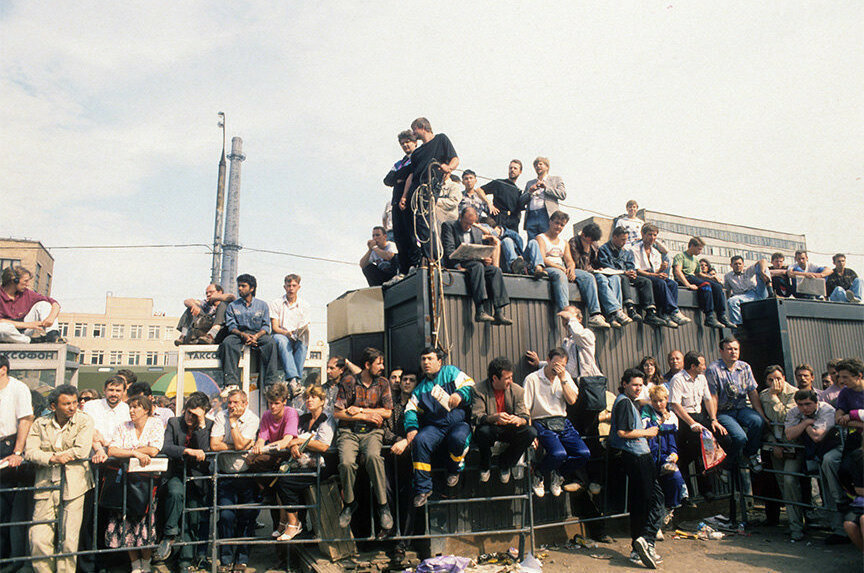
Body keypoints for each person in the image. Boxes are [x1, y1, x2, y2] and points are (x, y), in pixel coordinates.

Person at [25, 385, 93, 573]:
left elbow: (81, 450)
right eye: (66, 404)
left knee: (69, 540)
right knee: (39, 537)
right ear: (54, 406)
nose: (72, 407)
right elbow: (30, 451)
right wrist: (52, 458)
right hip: (45, 485)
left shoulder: (84, 421)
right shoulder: (40, 423)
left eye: (74, 403)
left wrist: (53, 455)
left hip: (74, 486)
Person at [395, 347, 474, 507]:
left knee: (459, 439)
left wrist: (459, 395)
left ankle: (454, 469)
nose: (426, 362)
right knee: (420, 441)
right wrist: (411, 429)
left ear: (439, 361)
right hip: (435, 427)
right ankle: (423, 489)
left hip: (457, 423)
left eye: (430, 359)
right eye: (423, 359)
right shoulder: (420, 389)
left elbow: (469, 385)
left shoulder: (451, 372)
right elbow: (410, 409)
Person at [609, 368, 664, 569]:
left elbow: (641, 402)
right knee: (648, 501)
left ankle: (642, 543)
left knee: (649, 500)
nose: (638, 388)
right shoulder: (624, 402)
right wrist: (647, 432)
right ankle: (643, 542)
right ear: (624, 384)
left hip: (640, 456)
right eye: (634, 384)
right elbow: (622, 432)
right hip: (636, 456)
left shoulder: (629, 401)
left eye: (641, 385)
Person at [333, 347, 394, 531]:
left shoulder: (383, 383)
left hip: (372, 433)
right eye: (379, 363)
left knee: (374, 458)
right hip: (349, 432)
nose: (382, 367)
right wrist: (361, 417)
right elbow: (338, 413)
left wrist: (361, 411)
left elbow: (387, 411)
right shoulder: (349, 382)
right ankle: (349, 503)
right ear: (367, 365)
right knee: (346, 463)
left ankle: (383, 506)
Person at [105, 394, 165, 573]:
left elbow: (154, 449)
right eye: (130, 407)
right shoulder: (123, 426)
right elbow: (112, 450)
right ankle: (134, 564)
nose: (131, 411)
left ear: (146, 410)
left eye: (136, 407)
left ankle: (146, 563)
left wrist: (128, 451)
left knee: (145, 522)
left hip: (147, 482)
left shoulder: (155, 424)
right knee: (126, 523)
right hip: (125, 481)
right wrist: (136, 454)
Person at [154, 392, 214, 569]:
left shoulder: (209, 425)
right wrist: (186, 451)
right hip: (176, 474)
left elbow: (205, 451)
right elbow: (166, 446)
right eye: (188, 412)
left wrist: (202, 425)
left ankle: (185, 562)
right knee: (175, 492)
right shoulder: (174, 422)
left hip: (197, 478)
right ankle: (170, 535)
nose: (190, 417)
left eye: (195, 414)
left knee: (193, 519)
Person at [523, 347, 590, 498]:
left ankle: (558, 474)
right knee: (559, 453)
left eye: (562, 365)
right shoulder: (532, 379)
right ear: (547, 360)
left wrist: (563, 379)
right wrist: (530, 434)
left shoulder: (565, 378)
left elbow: (572, 400)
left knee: (583, 453)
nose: (558, 368)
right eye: (556, 364)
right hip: (541, 421)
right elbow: (525, 409)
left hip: (562, 421)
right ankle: (538, 474)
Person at [524, 211, 610, 327]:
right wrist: (560, 268)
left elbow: (569, 260)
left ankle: (595, 314)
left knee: (588, 277)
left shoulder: (564, 242)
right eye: (556, 223)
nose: (558, 227)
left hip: (562, 268)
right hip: (549, 268)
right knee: (560, 275)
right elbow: (543, 259)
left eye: (562, 225)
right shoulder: (541, 238)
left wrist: (571, 269)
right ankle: (566, 312)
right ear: (550, 222)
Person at [274, 385, 334, 541]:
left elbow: (323, 446)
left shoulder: (327, 419)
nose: (309, 400)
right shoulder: (303, 419)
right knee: (278, 476)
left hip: (320, 466)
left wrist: (300, 441)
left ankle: (294, 524)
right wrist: (294, 445)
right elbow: (293, 438)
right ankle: (286, 523)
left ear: (322, 401)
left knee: (285, 482)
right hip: (301, 463)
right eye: (307, 397)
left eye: (314, 397)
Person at [210, 389, 260, 570]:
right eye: (229, 402)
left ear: (245, 404)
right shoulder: (220, 416)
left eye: (236, 402)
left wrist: (232, 425)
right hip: (225, 474)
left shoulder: (253, 419)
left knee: (246, 517)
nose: (231, 406)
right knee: (226, 515)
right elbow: (214, 445)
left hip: (246, 475)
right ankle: (226, 558)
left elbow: (239, 444)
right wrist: (236, 447)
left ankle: (242, 557)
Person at [785, 390, 843, 543]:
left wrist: (803, 427)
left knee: (830, 487)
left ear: (816, 402)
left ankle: (838, 528)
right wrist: (805, 422)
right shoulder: (794, 412)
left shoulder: (827, 410)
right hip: (803, 451)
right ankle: (796, 528)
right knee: (789, 480)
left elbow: (817, 436)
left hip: (827, 450)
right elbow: (789, 435)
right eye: (800, 405)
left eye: (808, 404)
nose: (804, 408)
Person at [400, 117, 460, 266]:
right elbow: (411, 175)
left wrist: (449, 168)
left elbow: (455, 159)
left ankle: (433, 257)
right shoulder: (416, 153)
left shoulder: (441, 139)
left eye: (414, 129)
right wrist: (404, 196)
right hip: (415, 191)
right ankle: (423, 256)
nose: (413, 133)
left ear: (422, 127)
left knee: (424, 222)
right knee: (414, 226)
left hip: (429, 188)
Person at [667, 351, 725, 500]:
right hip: (684, 419)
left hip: (700, 416)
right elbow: (675, 404)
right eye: (702, 364)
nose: (705, 367)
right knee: (685, 458)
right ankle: (688, 494)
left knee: (706, 451)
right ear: (693, 366)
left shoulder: (702, 378)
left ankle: (707, 489)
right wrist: (691, 423)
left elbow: (707, 399)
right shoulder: (677, 379)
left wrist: (713, 419)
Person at [441, 206, 512, 325]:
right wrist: (458, 266)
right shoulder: (449, 226)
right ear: (460, 217)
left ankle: (499, 311)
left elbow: (478, 250)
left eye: (471, 224)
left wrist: (485, 259)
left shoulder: (477, 230)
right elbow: (449, 250)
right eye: (466, 223)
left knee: (495, 270)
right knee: (477, 267)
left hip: (475, 261)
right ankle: (480, 310)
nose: (468, 226)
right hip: (458, 262)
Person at [705, 337, 768, 470]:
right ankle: (725, 464)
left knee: (758, 421)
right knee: (740, 437)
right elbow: (712, 396)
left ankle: (750, 454)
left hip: (741, 408)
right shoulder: (713, 369)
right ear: (721, 351)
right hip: (723, 412)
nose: (733, 352)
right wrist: (713, 419)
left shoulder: (744, 367)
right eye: (729, 349)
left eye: (735, 349)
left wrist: (761, 414)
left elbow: (753, 392)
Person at [472, 357, 536, 484]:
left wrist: (519, 420)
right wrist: (494, 417)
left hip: (510, 428)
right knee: (482, 432)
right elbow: (477, 417)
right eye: (507, 378)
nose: (510, 381)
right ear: (495, 378)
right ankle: (485, 464)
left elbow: (524, 415)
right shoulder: (478, 389)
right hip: (491, 428)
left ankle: (505, 463)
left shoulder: (517, 390)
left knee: (531, 432)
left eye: (511, 377)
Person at [597, 227, 669, 327]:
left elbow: (630, 264)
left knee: (646, 281)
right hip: (615, 275)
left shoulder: (625, 251)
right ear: (614, 237)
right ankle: (630, 309)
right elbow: (605, 265)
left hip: (627, 273)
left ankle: (650, 312)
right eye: (622, 239)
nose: (624, 242)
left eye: (626, 239)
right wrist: (624, 272)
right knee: (624, 278)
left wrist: (632, 271)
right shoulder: (604, 249)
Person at [757, 365, 799, 535]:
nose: (775, 383)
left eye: (778, 378)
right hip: (775, 444)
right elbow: (765, 423)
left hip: (793, 445)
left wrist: (774, 397)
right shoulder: (763, 395)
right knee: (782, 482)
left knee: (791, 482)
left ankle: (798, 524)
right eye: (770, 380)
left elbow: (785, 417)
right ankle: (793, 523)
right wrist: (773, 442)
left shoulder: (793, 393)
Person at [219, 273, 279, 390]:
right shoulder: (232, 306)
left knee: (271, 343)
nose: (240, 289)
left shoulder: (262, 305)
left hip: (258, 333)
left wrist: (256, 336)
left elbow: (266, 326)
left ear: (251, 288)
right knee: (227, 343)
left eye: (243, 286)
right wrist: (242, 335)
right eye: (239, 286)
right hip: (239, 334)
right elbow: (231, 326)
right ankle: (231, 383)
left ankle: (270, 383)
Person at [570, 223, 633, 328]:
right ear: (584, 235)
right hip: (579, 270)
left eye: (594, 241)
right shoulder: (574, 242)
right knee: (599, 279)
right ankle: (614, 311)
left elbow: (595, 261)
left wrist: (598, 268)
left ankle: (615, 314)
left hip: (593, 270)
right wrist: (586, 250)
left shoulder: (593, 244)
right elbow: (579, 264)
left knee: (615, 278)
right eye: (590, 240)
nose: (591, 243)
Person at [630, 224, 691, 327]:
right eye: (650, 235)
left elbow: (656, 271)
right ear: (643, 234)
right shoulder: (634, 249)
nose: (652, 238)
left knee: (672, 284)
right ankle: (674, 311)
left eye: (654, 235)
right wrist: (655, 275)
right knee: (660, 282)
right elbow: (638, 270)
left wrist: (661, 271)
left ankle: (666, 314)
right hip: (641, 275)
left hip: (653, 274)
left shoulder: (656, 252)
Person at [642, 385, 688, 516]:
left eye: (661, 400)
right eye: (654, 401)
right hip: (651, 454)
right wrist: (660, 421)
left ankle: (669, 509)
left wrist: (674, 453)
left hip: (666, 455)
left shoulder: (672, 416)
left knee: (676, 478)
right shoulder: (646, 411)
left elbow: (672, 439)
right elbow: (647, 431)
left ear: (667, 399)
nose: (658, 404)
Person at [474, 160, 525, 272]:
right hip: (498, 218)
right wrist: (489, 203)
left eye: (515, 168)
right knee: (500, 241)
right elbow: (479, 190)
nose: (512, 170)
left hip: (512, 222)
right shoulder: (499, 183)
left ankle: (516, 264)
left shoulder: (518, 191)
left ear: (520, 172)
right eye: (510, 167)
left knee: (510, 242)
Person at [673, 238, 734, 329]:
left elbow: (698, 274)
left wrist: (711, 277)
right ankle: (709, 316)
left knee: (717, 287)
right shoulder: (680, 256)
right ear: (692, 246)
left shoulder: (695, 260)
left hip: (693, 277)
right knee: (705, 285)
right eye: (699, 249)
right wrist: (688, 285)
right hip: (684, 278)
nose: (700, 251)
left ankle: (722, 315)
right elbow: (678, 271)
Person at [270, 274, 312, 397]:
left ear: (299, 287)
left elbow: (304, 327)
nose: (291, 288)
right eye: (288, 286)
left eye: (294, 286)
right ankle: (294, 379)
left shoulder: (305, 305)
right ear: (284, 287)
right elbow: (275, 327)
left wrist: (297, 333)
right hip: (281, 334)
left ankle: (294, 382)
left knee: (304, 341)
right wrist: (287, 333)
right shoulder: (276, 303)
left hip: (297, 336)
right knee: (282, 341)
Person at [384, 130, 418, 276]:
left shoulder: (418, 156)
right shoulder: (399, 163)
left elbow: (414, 173)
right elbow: (387, 180)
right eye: (402, 143)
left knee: (411, 235)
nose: (405, 145)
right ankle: (403, 269)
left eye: (407, 142)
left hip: (410, 201)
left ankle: (415, 264)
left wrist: (401, 178)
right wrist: (402, 176)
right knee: (399, 237)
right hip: (396, 203)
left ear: (415, 142)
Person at [0, 266, 62, 343]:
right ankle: (31, 341)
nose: (28, 284)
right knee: (2, 328)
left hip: (24, 330)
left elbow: (55, 303)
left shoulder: (26, 293)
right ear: (14, 281)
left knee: (44, 304)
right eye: (25, 281)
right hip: (6, 333)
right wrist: (29, 325)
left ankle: (53, 336)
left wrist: (51, 318)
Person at [83, 375, 130, 459]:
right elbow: (88, 431)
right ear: (104, 390)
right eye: (111, 390)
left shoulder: (128, 409)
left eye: (118, 391)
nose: (114, 394)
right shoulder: (91, 406)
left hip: (119, 454)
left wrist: (108, 443)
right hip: (94, 452)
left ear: (124, 392)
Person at [519, 157, 566, 240]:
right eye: (536, 165)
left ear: (547, 167)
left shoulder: (555, 179)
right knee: (532, 243)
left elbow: (563, 194)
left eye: (540, 164)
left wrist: (546, 188)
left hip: (547, 215)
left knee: (547, 241)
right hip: (531, 216)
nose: (538, 166)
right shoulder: (530, 183)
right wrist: (529, 192)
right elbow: (521, 201)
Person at [723, 256, 773, 326]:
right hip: (743, 297)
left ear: (743, 264)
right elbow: (727, 291)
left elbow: (763, 261)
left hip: (757, 292)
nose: (738, 266)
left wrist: (762, 272)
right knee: (732, 301)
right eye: (735, 264)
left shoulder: (747, 271)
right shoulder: (728, 276)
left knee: (762, 267)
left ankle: (770, 291)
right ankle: (738, 326)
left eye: (740, 264)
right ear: (731, 265)